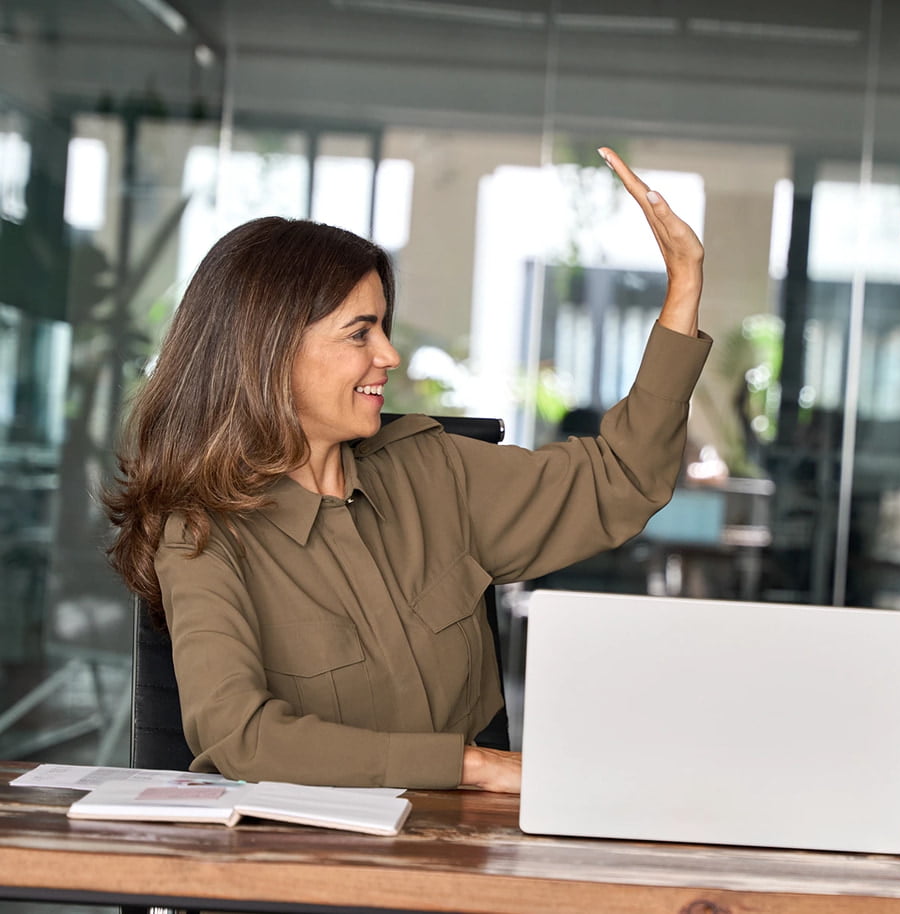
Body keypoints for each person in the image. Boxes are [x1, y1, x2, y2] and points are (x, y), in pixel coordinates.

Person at [104, 148, 709, 793]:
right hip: (312, 870)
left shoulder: (432, 469)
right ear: (269, 354)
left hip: (461, 859)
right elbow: (240, 738)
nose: (389, 354)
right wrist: (469, 766)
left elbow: (622, 477)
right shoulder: (199, 533)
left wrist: (684, 288)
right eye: (359, 333)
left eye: (383, 328)